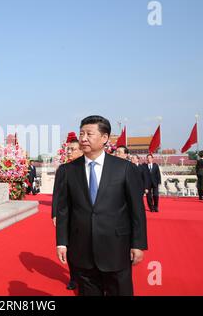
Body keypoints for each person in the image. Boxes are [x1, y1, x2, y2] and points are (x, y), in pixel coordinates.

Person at [56, 115, 147, 296]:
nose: (83, 138)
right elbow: (64, 210)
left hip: (117, 247)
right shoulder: (68, 170)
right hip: (82, 248)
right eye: (82, 133)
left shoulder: (124, 168)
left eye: (89, 134)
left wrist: (138, 244)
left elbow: (136, 209)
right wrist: (62, 242)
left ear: (104, 138)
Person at [52, 132, 83, 290]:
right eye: (68, 149)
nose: (69, 152)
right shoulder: (63, 170)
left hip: (84, 215)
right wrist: (55, 214)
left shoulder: (89, 168)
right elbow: (57, 193)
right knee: (70, 248)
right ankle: (74, 277)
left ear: (82, 150)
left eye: (73, 149)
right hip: (68, 216)